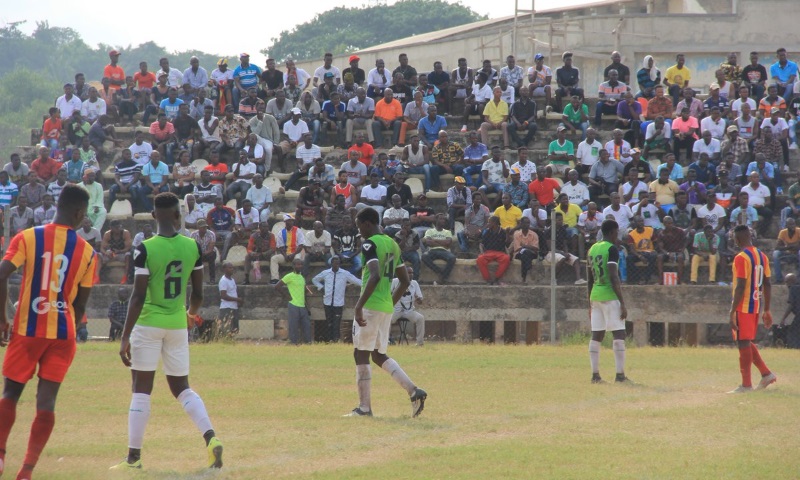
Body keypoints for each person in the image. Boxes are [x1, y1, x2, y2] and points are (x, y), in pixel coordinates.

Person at [113, 193, 223, 471]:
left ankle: (133, 459)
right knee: (182, 388)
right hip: (177, 324)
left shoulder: (145, 248)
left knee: (141, 390)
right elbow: (198, 293)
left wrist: (125, 336)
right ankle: (211, 438)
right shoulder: (192, 246)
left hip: (148, 323)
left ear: (153, 216)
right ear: (178, 216)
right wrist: (190, 315)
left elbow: (137, 296)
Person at [0, 185, 96, 480]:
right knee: (47, 402)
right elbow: (80, 305)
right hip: (62, 334)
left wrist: (3, 318)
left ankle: (1, 456)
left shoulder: (28, 237)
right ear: (79, 213)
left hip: (28, 329)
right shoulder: (88, 251)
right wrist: (69, 327)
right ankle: (26, 470)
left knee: (11, 393)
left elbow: (3, 273)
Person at [347, 207, 427, 417]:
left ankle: (364, 409)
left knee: (361, 353)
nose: (359, 232)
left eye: (359, 227)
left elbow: (373, 276)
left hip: (371, 306)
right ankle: (413, 391)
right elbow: (405, 280)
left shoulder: (369, 243)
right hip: (385, 307)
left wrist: (358, 307)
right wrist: (390, 303)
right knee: (378, 354)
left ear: (366, 224)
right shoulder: (392, 243)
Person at [728, 225, 778, 393]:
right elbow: (768, 283)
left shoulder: (741, 257)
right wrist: (767, 309)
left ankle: (746, 385)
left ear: (736, 239)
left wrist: (732, 311)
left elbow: (740, 285)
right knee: (746, 340)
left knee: (742, 342)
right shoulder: (762, 256)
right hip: (756, 304)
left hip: (743, 305)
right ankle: (766, 374)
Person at [586, 220, 631, 384]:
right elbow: (613, 276)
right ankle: (620, 375)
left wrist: (588, 303)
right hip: (610, 296)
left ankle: (595, 375)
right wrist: (622, 302)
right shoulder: (612, 249)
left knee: (596, 335)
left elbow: (589, 278)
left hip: (595, 296)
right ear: (613, 232)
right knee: (619, 333)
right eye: (617, 233)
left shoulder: (592, 249)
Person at [312, 256, 362, 343]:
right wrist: (321, 287)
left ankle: (336, 340)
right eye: (335, 263)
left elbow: (356, 281)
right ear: (331, 264)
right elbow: (315, 280)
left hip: (338, 303)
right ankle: (329, 340)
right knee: (329, 322)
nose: (336, 265)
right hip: (327, 302)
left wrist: (367, 284)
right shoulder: (326, 273)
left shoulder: (344, 273)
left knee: (336, 323)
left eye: (338, 263)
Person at [275, 258, 311, 345]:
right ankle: (293, 343)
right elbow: (277, 286)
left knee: (306, 325)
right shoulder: (289, 276)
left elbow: (303, 292)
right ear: (293, 266)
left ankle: (307, 343)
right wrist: (287, 296)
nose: (300, 266)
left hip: (302, 305)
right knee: (293, 326)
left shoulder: (302, 277)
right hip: (293, 304)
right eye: (297, 264)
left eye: (301, 264)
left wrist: (307, 306)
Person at [391, 266, 425, 346]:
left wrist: (418, 300)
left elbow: (421, 301)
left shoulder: (414, 283)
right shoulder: (395, 282)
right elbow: (387, 295)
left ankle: (420, 343)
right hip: (395, 310)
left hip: (409, 311)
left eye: (412, 273)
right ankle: (387, 341)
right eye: (408, 273)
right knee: (386, 319)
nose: (411, 275)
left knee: (420, 318)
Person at [422, 213, 456, 285]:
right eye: (441, 219)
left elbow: (448, 243)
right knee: (424, 256)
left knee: (452, 258)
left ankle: (442, 278)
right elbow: (428, 242)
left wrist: (434, 240)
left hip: (444, 251)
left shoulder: (447, 232)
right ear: (436, 220)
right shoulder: (429, 231)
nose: (443, 220)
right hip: (432, 251)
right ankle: (440, 272)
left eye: (444, 219)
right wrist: (443, 243)